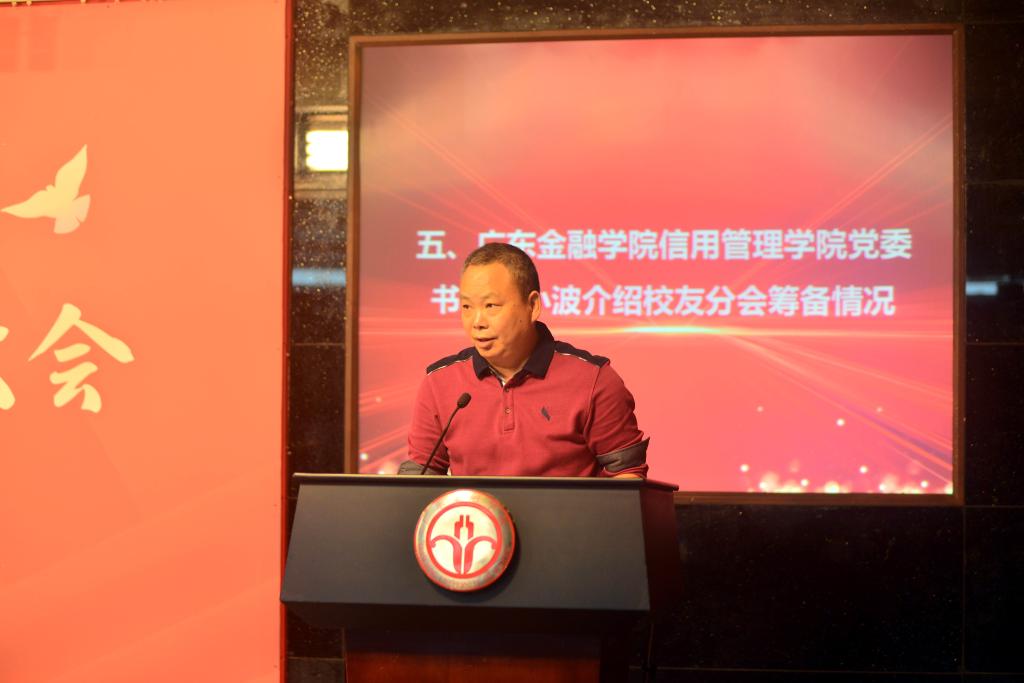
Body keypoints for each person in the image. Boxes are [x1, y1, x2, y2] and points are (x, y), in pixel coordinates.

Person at [398, 243, 649, 477]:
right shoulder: (439, 383)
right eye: (466, 307)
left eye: (491, 306)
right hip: (475, 513)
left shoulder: (593, 380)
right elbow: (418, 482)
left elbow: (627, 476)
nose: (477, 322)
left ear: (533, 305)